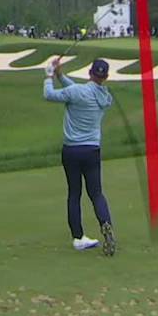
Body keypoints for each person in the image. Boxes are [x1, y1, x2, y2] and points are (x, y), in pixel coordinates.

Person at [43, 57, 117, 255]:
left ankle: (78, 238)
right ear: (105, 77)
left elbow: (49, 94)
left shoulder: (77, 92)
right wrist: (60, 75)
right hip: (92, 150)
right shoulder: (105, 97)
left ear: (90, 73)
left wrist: (49, 76)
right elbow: (77, 90)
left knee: (74, 193)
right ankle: (106, 224)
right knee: (96, 193)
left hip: (72, 151)